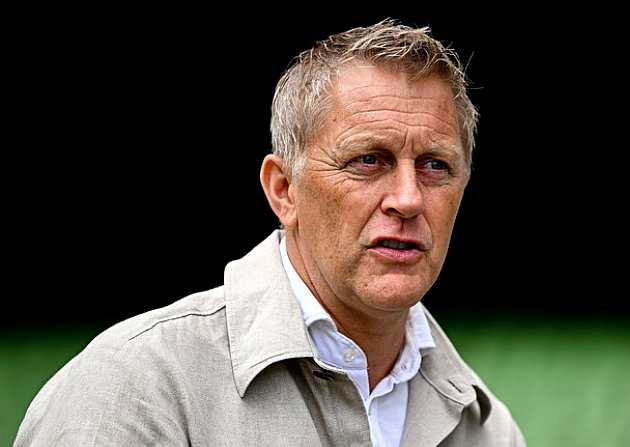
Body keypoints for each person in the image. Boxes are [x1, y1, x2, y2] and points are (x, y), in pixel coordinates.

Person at [15, 19, 526, 446]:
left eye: (436, 165)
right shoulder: (135, 386)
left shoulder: (485, 428)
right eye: (369, 160)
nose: (409, 198)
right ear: (284, 190)